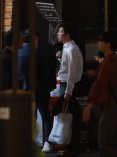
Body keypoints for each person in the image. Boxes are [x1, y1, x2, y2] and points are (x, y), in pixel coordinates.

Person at [83, 31, 117, 157]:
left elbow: (100, 83)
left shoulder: (109, 61)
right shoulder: (115, 59)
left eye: (101, 41)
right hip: (116, 101)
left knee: (105, 140)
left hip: (110, 103)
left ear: (108, 44)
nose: (98, 43)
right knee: (112, 139)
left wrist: (89, 105)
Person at [46, 23, 83, 156]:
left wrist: (68, 91)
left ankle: (70, 146)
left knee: (67, 115)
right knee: (67, 115)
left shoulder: (72, 49)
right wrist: (60, 57)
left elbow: (72, 73)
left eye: (60, 32)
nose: (58, 34)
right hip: (66, 85)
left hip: (68, 85)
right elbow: (68, 67)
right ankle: (67, 145)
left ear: (67, 35)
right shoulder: (67, 48)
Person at [18, 30, 54, 147]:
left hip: (23, 91)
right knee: (45, 117)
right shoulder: (38, 53)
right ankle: (47, 142)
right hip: (40, 91)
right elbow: (45, 74)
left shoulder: (17, 53)